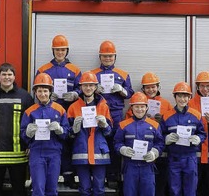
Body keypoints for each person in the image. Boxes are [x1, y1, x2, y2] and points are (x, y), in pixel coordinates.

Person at [35, 34, 81, 189]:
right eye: (57, 50)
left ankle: (68, 176)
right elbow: (37, 87)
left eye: (62, 50)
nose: (60, 52)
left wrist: (75, 94)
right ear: (53, 51)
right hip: (48, 110)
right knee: (51, 142)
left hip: (68, 111)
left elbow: (82, 88)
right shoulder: (43, 69)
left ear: (66, 51)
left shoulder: (74, 70)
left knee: (68, 143)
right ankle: (48, 177)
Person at [0, 63, 33, 196]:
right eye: (4, 74)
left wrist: (30, 143)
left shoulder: (25, 97)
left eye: (9, 74)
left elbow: (32, 122)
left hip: (19, 154)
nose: (7, 77)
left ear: (14, 77)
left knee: (19, 190)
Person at [91, 40, 134, 187]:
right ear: (100, 57)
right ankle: (98, 176)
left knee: (115, 143)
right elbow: (86, 90)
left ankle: (113, 175)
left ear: (115, 57)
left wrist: (122, 91)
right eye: (104, 56)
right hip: (98, 112)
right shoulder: (93, 74)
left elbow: (130, 94)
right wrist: (94, 90)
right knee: (97, 143)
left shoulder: (123, 74)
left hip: (116, 113)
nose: (107, 59)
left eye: (110, 56)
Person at [20, 73, 70, 196]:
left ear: (50, 92)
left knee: (52, 189)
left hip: (54, 153)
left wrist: (60, 130)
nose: (43, 94)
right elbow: (23, 135)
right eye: (39, 91)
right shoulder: (29, 111)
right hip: (37, 153)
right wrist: (28, 133)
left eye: (45, 91)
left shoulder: (60, 109)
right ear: (35, 92)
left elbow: (67, 132)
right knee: (38, 189)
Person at [67, 71, 113, 196]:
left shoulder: (103, 106)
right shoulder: (73, 107)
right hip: (81, 153)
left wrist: (105, 125)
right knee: (84, 189)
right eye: (85, 85)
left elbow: (109, 133)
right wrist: (73, 129)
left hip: (99, 153)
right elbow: (68, 135)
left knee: (99, 189)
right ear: (80, 87)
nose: (88, 88)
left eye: (91, 85)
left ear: (96, 87)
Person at [114, 92, 164, 196]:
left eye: (142, 106)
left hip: (148, 167)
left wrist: (154, 153)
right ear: (131, 108)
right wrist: (122, 149)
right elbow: (117, 142)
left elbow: (160, 143)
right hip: (130, 168)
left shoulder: (155, 125)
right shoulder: (123, 125)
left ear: (147, 108)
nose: (139, 109)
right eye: (136, 106)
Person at [161, 82, 206, 196]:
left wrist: (198, 138)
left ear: (189, 97)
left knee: (190, 189)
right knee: (174, 189)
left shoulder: (196, 115)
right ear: (175, 97)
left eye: (185, 96)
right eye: (179, 96)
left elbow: (202, 133)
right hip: (173, 158)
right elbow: (159, 135)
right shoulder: (166, 116)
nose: (182, 99)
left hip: (190, 157)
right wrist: (166, 139)